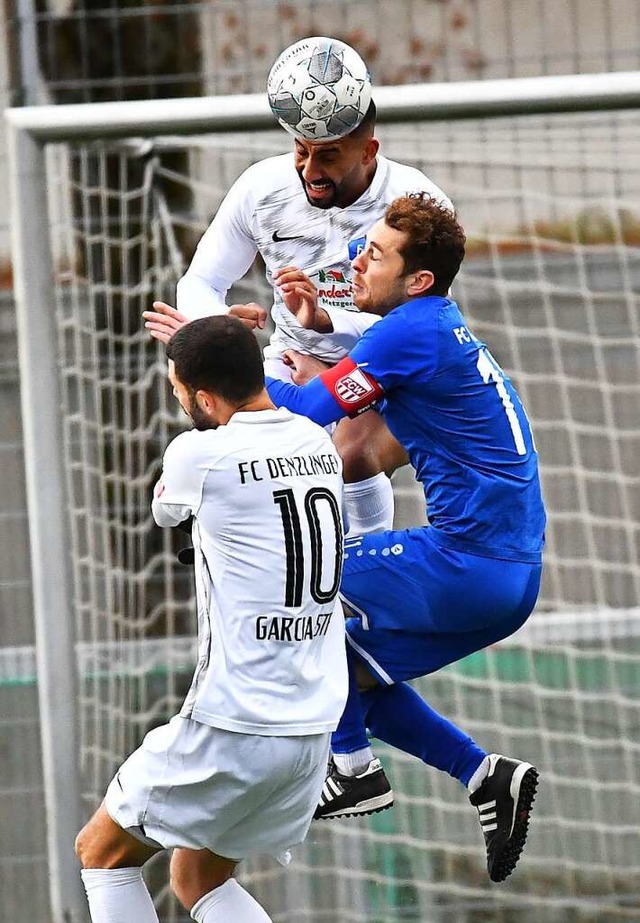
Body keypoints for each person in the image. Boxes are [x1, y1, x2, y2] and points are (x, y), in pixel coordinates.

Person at [264, 193, 546, 883]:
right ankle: (483, 774)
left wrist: (235, 363)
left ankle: (353, 768)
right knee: (350, 677)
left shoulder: (405, 333)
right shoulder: (429, 327)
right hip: (509, 575)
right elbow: (343, 395)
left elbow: (307, 411)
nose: (358, 260)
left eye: (377, 253)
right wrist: (311, 346)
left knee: (299, 586)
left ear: (418, 279)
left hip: (468, 562)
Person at [75, 315, 348, 923]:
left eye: (178, 391)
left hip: (235, 721)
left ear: (202, 396)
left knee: (102, 852)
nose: (178, 402)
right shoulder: (314, 441)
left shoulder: (199, 453)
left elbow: (169, 511)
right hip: (310, 726)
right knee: (197, 873)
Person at [143, 38, 452, 538]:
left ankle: (360, 589)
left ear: (368, 149)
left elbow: (425, 328)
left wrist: (334, 338)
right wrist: (215, 328)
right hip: (290, 362)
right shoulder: (261, 189)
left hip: (389, 371)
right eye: (301, 152)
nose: (311, 172)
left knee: (350, 456)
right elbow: (200, 280)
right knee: (231, 462)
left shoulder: (414, 206)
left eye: (328, 156)